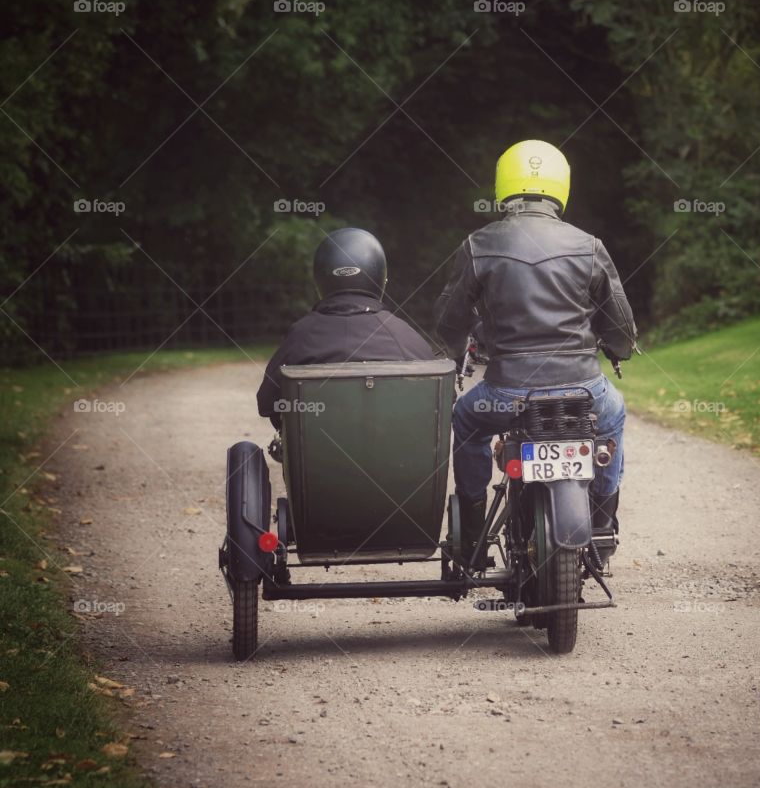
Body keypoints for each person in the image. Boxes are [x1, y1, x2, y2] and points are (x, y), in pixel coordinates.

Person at [434, 139, 637, 563]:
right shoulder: (589, 245)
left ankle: (471, 533)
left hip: (504, 394)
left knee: (467, 420)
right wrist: (619, 349)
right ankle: (601, 523)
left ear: (503, 185)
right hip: (584, 390)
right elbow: (619, 327)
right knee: (613, 414)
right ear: (560, 186)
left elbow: (449, 320)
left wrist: (456, 356)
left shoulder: (479, 243)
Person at [257, 227, 435, 425]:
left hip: (316, 455)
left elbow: (267, 403)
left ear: (321, 280)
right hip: (399, 453)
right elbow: (441, 399)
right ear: (380, 279)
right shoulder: (406, 337)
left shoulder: (300, 336)